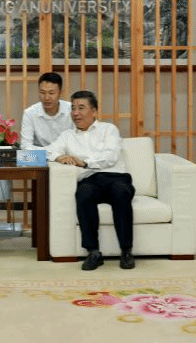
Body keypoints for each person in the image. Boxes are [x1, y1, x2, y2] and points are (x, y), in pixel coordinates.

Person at [46, 90, 136, 271]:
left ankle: (126, 251)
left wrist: (85, 162)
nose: (76, 113)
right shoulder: (67, 135)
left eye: (81, 108)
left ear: (94, 111)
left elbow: (110, 156)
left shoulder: (109, 129)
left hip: (115, 177)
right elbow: (50, 150)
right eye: (73, 108)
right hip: (90, 179)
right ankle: (93, 252)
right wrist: (59, 157)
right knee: (83, 194)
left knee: (121, 193)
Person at [19, 72, 75, 148]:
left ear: (60, 93)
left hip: (67, 154)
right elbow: (25, 146)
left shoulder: (72, 110)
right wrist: (52, 153)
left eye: (51, 93)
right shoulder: (29, 113)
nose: (46, 98)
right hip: (42, 155)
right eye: (42, 92)